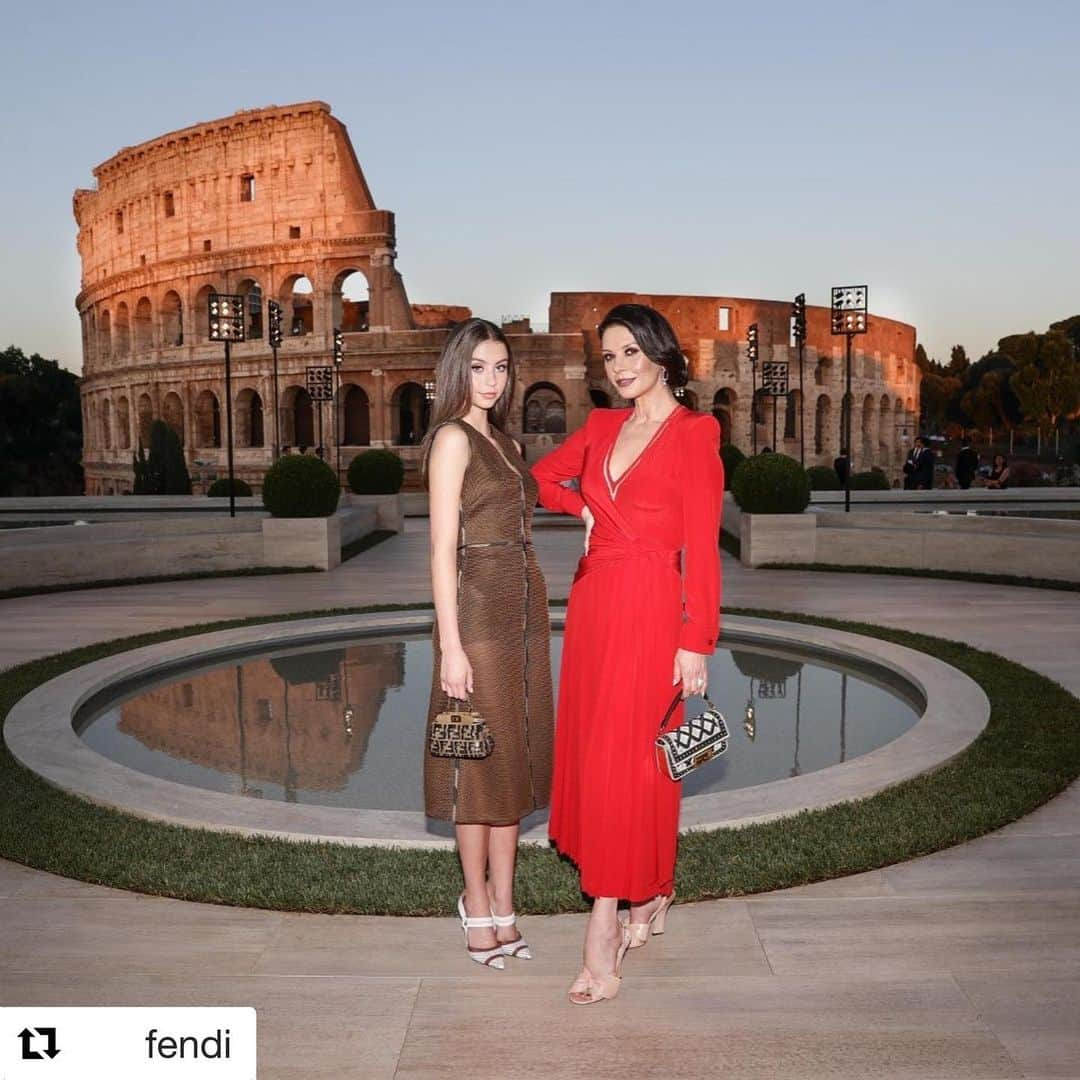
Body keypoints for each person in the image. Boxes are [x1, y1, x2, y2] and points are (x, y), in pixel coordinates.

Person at [531, 303, 724, 1004]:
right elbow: (542, 478)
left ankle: (604, 926)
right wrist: (583, 508)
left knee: (634, 766)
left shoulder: (697, 433)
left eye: (629, 353)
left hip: (652, 612)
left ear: (660, 354)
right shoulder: (603, 426)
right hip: (594, 608)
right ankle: (651, 895)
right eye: (608, 358)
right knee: (602, 758)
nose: (618, 369)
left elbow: (701, 546)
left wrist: (695, 640)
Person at [421, 317, 555, 970]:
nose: (491, 380)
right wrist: (451, 644)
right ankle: (474, 901)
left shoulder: (506, 442)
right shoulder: (452, 440)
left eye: (500, 368)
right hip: (476, 609)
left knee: (516, 761)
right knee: (476, 764)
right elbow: (442, 549)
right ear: (458, 371)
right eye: (479, 367)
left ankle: (507, 902)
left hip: (525, 608)